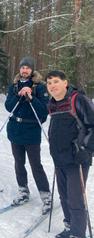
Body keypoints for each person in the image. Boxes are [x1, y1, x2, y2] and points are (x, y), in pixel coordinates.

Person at [46, 70, 94, 238]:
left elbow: (92, 125)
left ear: (65, 83)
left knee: (75, 198)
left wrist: (86, 150)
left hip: (77, 159)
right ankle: (69, 226)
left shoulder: (78, 100)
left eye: (56, 81)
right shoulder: (52, 104)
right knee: (64, 195)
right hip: (60, 159)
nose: (52, 85)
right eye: (49, 83)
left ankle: (78, 233)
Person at [5, 56, 51, 214]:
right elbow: (8, 106)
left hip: (31, 131)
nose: (24, 70)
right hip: (15, 129)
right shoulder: (14, 85)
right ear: (19, 69)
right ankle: (23, 190)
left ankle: (46, 195)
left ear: (32, 70)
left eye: (27, 68)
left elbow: (44, 111)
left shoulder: (40, 86)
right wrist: (19, 95)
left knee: (35, 164)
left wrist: (31, 97)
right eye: (22, 67)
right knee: (19, 162)